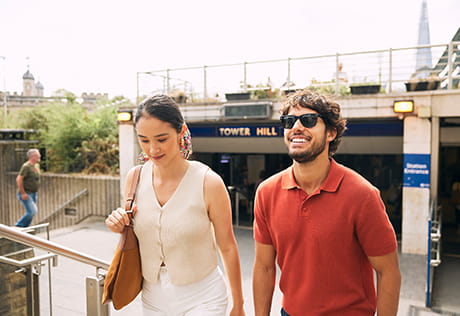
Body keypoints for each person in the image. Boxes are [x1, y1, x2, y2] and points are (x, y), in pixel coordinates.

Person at [252, 90, 401, 316]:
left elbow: (388, 272)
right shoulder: (266, 192)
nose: (296, 127)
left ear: (331, 133)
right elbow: (264, 267)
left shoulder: (363, 195)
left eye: (309, 120)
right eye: (289, 121)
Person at [106, 95, 245, 316]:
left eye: (162, 139)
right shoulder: (135, 177)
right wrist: (118, 222)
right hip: (152, 298)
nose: (152, 150)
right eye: (144, 140)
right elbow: (135, 228)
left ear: (181, 133)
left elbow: (227, 246)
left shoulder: (209, 182)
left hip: (204, 297)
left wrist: (238, 304)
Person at [15, 148, 41, 227]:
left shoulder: (36, 165)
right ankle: (18, 226)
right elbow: (19, 179)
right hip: (26, 193)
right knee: (32, 211)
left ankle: (25, 228)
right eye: (38, 155)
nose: (40, 156)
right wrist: (23, 193)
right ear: (32, 156)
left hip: (33, 193)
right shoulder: (26, 166)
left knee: (31, 212)